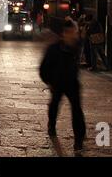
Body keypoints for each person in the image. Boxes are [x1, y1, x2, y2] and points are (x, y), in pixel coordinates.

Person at [40, 20, 86, 152]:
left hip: (72, 83)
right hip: (57, 83)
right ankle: (51, 125)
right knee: (54, 104)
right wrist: (49, 82)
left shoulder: (77, 46)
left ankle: (79, 140)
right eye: (70, 33)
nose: (73, 35)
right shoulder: (54, 49)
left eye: (75, 33)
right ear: (64, 34)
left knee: (77, 110)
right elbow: (43, 69)